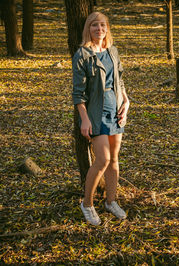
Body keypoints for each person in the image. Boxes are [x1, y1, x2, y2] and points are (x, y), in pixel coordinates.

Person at [72, 12, 130, 225]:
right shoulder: (82, 55)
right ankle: (87, 204)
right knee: (103, 160)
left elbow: (119, 79)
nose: (99, 29)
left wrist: (126, 101)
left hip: (115, 109)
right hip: (95, 113)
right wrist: (84, 119)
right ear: (88, 28)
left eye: (103, 25)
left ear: (107, 28)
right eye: (95, 25)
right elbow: (78, 93)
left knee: (114, 160)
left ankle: (110, 201)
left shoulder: (112, 51)